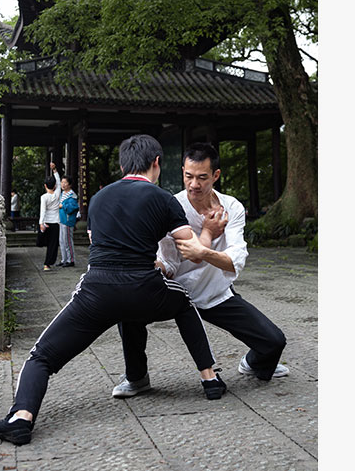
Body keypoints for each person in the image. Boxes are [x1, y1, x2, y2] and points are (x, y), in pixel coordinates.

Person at [0, 135, 226, 446]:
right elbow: (192, 251)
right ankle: (209, 379)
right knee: (182, 301)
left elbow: (106, 244)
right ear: (156, 163)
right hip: (145, 289)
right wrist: (208, 231)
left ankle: (21, 417)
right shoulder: (163, 199)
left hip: (97, 292)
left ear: (123, 165)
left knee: (41, 356)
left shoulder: (98, 200)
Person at [112, 142, 287, 399]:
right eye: (188, 176)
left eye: (202, 177)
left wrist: (203, 251)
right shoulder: (169, 205)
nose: (194, 184)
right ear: (182, 171)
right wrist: (153, 267)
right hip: (175, 295)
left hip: (214, 291)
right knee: (127, 311)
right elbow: (170, 262)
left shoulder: (232, 208)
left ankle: (252, 363)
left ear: (215, 176)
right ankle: (137, 377)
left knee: (274, 342)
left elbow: (236, 260)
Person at [37, 162, 61, 271]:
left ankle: (47, 263)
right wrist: (54, 170)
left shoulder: (44, 197)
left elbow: (43, 210)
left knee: (44, 242)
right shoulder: (57, 194)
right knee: (53, 244)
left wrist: (41, 223)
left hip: (46, 222)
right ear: (54, 186)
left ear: (45, 185)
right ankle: (48, 263)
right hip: (56, 222)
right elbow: (59, 183)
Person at [56, 174, 79, 267]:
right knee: (61, 241)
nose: (63, 184)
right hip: (62, 220)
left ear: (69, 184)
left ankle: (71, 260)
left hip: (68, 221)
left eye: (65, 182)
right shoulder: (62, 194)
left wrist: (63, 206)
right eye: (62, 182)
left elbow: (73, 207)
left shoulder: (72, 195)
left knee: (68, 241)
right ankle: (64, 259)